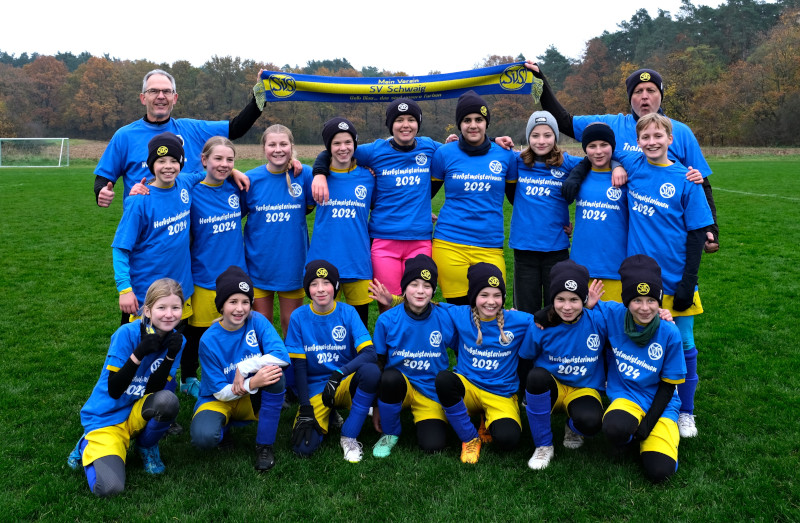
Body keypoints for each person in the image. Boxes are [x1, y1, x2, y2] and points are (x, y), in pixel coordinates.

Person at [524, 62, 719, 253]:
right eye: (638, 91)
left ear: (661, 95)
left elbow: (701, 182)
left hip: (663, 233)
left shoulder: (681, 132)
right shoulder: (612, 125)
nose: (644, 96)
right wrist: (540, 79)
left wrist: (711, 229)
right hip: (617, 231)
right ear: (630, 98)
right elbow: (564, 122)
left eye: (651, 90)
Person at [613, 113, 713, 439]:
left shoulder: (687, 179)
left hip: (675, 278)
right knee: (638, 343)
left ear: (670, 139)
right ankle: (634, 398)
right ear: (637, 142)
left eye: (658, 136)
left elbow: (697, 235)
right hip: (639, 282)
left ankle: (686, 411)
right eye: (645, 137)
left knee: (684, 344)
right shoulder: (633, 164)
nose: (652, 142)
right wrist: (616, 165)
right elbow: (599, 148)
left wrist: (688, 282)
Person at [68, 278, 185, 497]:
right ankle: (86, 444)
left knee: (168, 400)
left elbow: (154, 389)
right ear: (147, 311)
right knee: (110, 488)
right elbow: (114, 390)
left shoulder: (178, 340)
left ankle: (146, 446)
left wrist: (170, 355)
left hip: (135, 412)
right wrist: (139, 353)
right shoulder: (127, 333)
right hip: (107, 418)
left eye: (175, 308)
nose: (169, 314)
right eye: (162, 307)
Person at [94, 68, 264, 208]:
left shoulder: (192, 129)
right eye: (153, 91)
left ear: (174, 98)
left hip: (188, 227)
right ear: (143, 98)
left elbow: (235, 129)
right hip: (147, 229)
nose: (161, 96)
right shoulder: (124, 136)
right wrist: (102, 191)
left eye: (167, 91)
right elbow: (104, 178)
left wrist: (260, 97)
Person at [189, 266, 289, 471]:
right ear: (221, 305)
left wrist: (245, 368)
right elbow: (220, 392)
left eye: (245, 302)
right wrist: (251, 383)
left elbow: (282, 356)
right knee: (203, 438)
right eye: (233, 302)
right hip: (218, 399)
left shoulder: (256, 321)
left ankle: (264, 446)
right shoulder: (208, 340)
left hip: (248, 398)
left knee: (275, 375)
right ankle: (223, 428)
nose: (240, 309)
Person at [435, 263, 534, 464]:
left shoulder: (519, 320)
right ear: (473, 297)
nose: (491, 301)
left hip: (500, 393)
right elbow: (427, 304)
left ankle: (487, 418)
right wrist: (392, 300)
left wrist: (588, 306)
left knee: (508, 439)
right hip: (468, 388)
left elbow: (548, 320)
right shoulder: (460, 314)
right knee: (444, 380)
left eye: (497, 295)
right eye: (484, 295)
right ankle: (470, 437)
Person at [602, 254, 686, 483]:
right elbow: (571, 309)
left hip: (661, 403)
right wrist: (543, 316)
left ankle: (651, 436)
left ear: (659, 301)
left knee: (660, 472)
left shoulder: (669, 331)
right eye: (637, 300)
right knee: (615, 428)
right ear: (626, 301)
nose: (645, 308)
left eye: (651, 300)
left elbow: (668, 387)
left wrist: (646, 426)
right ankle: (629, 437)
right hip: (628, 396)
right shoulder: (613, 314)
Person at [286, 260, 381, 463]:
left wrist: (339, 373)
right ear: (307, 289)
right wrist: (305, 407)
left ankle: (349, 436)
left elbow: (370, 353)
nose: (320, 289)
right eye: (314, 284)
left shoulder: (348, 312)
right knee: (303, 447)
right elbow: (299, 367)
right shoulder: (298, 317)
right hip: (315, 388)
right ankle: (328, 415)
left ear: (336, 286)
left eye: (326, 283)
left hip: (344, 381)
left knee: (371, 372)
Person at [430, 91, 517, 304]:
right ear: (459, 124)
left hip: (490, 246)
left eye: (479, 120)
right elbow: (424, 194)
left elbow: (518, 201)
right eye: (467, 120)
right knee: (459, 312)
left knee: (490, 309)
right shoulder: (444, 153)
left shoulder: (505, 155)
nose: (473, 125)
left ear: (487, 123)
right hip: (449, 244)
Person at [519, 260, 606, 470]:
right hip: (552, 387)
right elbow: (525, 358)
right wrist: (524, 394)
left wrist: (661, 313)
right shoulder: (540, 325)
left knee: (592, 424)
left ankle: (572, 427)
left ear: (584, 300)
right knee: (536, 376)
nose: (567, 307)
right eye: (560, 299)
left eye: (574, 300)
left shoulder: (598, 321)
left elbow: (630, 316)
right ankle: (543, 445)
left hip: (583, 388)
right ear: (552, 300)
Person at [179, 137, 247, 398]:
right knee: (198, 334)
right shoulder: (192, 192)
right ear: (204, 160)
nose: (224, 164)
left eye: (230, 159)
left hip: (236, 275)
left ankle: (230, 375)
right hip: (204, 275)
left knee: (233, 331)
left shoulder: (236, 188)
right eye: (218, 158)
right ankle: (188, 378)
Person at [371, 254, 456, 457]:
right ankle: (390, 433)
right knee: (389, 377)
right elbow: (378, 363)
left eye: (427, 286)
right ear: (404, 288)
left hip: (431, 389)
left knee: (433, 445)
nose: (420, 291)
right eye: (414, 284)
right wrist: (376, 406)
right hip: (399, 387)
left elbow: (464, 345)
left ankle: (430, 414)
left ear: (433, 290)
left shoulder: (445, 316)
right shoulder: (387, 320)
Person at [112, 132, 201, 324]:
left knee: (176, 342)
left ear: (181, 163)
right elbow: (120, 248)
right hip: (148, 295)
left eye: (173, 161)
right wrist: (125, 290)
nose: (168, 166)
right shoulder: (139, 201)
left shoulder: (184, 182)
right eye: (161, 161)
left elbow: (210, 173)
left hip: (180, 292)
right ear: (151, 164)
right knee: (143, 342)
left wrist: (233, 171)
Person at [242, 124, 314, 337]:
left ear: (292, 146)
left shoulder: (304, 174)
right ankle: (265, 360)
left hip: (292, 265)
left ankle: (292, 360)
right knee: (261, 326)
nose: (278, 149)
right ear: (263, 148)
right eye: (272, 145)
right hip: (258, 265)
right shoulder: (250, 179)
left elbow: (310, 206)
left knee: (291, 324)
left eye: (283, 144)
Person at [508, 111, 581, 313]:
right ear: (528, 137)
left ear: (555, 137)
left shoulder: (567, 163)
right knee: (526, 311)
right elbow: (486, 149)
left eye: (547, 135)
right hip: (524, 248)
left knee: (556, 309)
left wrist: (576, 176)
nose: (541, 141)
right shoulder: (517, 161)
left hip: (556, 249)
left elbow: (596, 160)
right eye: (535, 135)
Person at [305, 118, 376, 327]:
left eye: (348, 142)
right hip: (323, 262)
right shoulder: (316, 178)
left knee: (359, 325)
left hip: (358, 262)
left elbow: (385, 206)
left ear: (355, 144)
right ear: (328, 147)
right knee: (324, 326)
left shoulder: (369, 177)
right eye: (336, 143)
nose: (343, 148)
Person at [568, 123, 628, 302]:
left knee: (614, 319)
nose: (598, 151)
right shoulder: (578, 174)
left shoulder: (625, 176)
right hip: (580, 266)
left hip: (615, 268)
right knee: (582, 318)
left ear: (612, 146)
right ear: (585, 149)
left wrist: (617, 165)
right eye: (592, 146)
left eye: (604, 145)